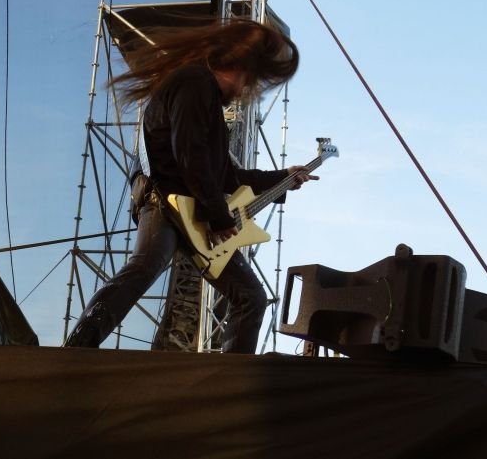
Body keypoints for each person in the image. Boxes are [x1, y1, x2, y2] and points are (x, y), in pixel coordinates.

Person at [63, 18, 315, 354]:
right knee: (145, 266)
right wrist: (220, 217)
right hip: (165, 201)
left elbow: (228, 178)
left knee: (250, 297)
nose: (245, 91)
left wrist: (283, 177)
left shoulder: (208, 104)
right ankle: (77, 348)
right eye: (249, 81)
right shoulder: (194, 82)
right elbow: (189, 154)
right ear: (238, 68)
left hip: (193, 211)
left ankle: (231, 379)